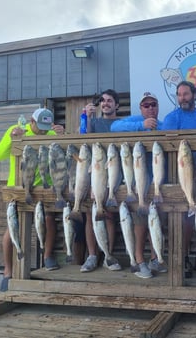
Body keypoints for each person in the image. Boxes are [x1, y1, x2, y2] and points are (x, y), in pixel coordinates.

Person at [0, 108, 65, 291]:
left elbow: (64, 156)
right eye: (40, 126)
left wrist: (64, 136)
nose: (43, 130)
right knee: (12, 229)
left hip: (44, 188)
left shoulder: (50, 132)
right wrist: (11, 137)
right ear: (31, 121)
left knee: (49, 220)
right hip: (19, 187)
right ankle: (7, 271)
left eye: (46, 127)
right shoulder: (16, 129)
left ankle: (47, 257)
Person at [110, 92, 167, 279]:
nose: (150, 108)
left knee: (157, 224)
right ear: (141, 108)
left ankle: (155, 259)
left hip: (158, 184)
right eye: (146, 105)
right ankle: (139, 260)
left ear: (158, 107)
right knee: (139, 224)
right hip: (137, 185)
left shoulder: (164, 125)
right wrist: (141, 125)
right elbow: (114, 127)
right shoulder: (135, 121)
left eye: (153, 104)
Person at [162, 80, 196, 278]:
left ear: (195, 95)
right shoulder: (171, 118)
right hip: (180, 177)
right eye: (179, 94)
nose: (182, 98)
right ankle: (182, 259)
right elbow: (168, 147)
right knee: (184, 223)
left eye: (186, 94)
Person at [79, 89, 122, 272]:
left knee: (110, 215)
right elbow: (82, 138)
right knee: (90, 214)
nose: (105, 103)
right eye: (103, 101)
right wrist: (86, 117)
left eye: (110, 101)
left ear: (117, 105)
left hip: (113, 175)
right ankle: (92, 255)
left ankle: (108, 255)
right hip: (94, 173)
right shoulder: (94, 122)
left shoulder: (122, 123)